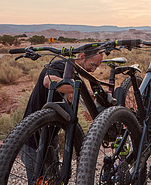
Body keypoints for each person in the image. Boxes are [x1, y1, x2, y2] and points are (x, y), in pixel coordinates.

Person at [20, 48, 104, 184]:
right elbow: (48, 81)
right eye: (93, 65)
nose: (93, 70)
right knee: (38, 181)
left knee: (53, 179)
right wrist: (81, 89)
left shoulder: (74, 74)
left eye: (97, 67)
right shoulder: (61, 65)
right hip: (32, 139)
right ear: (82, 56)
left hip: (50, 136)